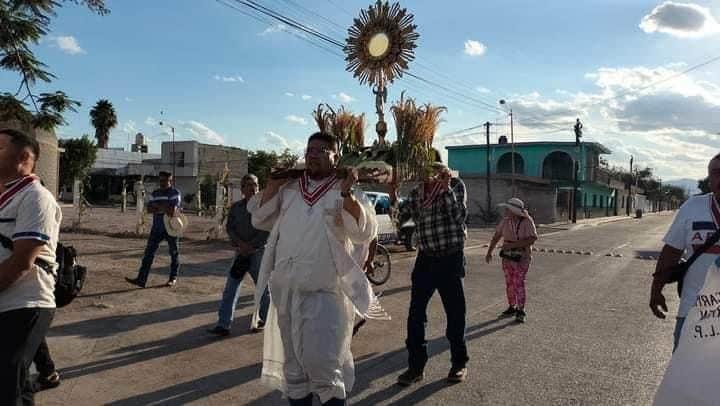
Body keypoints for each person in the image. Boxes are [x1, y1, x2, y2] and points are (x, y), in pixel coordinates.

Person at [248, 132, 379, 406]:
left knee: (324, 365)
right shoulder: (290, 188)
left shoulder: (344, 188)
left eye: (321, 150)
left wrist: (346, 194)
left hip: (324, 293)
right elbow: (259, 219)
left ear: (335, 156)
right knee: (294, 369)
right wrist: (273, 183)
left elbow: (363, 231)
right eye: (310, 149)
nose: (313, 154)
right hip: (286, 290)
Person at [391, 160, 470, 386]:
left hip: (450, 257)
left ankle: (459, 362)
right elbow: (403, 223)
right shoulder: (417, 192)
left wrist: (445, 190)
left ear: (442, 169)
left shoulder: (456, 185)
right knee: (415, 315)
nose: (429, 175)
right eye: (424, 169)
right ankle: (415, 367)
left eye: (434, 170)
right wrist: (393, 194)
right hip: (425, 259)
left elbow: (459, 217)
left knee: (455, 313)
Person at [0, 128, 62, 405]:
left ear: (24, 157)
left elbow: (21, 262)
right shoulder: (6, 197)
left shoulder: (35, 198)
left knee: (6, 385)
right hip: (6, 303)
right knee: (16, 385)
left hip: (25, 304)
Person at [650, 154, 720, 350]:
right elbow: (672, 251)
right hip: (693, 313)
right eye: (716, 173)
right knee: (685, 378)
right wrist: (656, 289)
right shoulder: (693, 207)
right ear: (709, 179)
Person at [207, 174, 271, 337]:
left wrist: (251, 246)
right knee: (230, 289)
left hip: (258, 253)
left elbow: (267, 229)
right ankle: (223, 324)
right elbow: (230, 228)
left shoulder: (264, 207)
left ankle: (265, 320)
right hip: (240, 253)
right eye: (248, 185)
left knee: (263, 288)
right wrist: (240, 244)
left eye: (255, 184)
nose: (252, 188)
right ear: (242, 189)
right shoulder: (236, 208)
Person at [485, 197, 538, 323]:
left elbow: (532, 239)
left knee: (518, 282)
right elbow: (497, 236)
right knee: (509, 282)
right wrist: (489, 252)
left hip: (522, 257)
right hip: (508, 257)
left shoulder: (527, 221)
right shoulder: (505, 221)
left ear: (514, 211)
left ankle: (521, 310)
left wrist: (512, 245)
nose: (506, 211)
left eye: (508, 209)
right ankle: (512, 306)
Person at [126, 171, 182, 288]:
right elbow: (149, 209)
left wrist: (158, 206)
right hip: (157, 228)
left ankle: (173, 278)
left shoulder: (175, 193)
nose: (161, 182)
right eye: (160, 180)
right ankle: (141, 279)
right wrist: (164, 207)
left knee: (174, 253)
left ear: (169, 180)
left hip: (171, 228)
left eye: (164, 180)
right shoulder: (155, 193)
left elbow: (172, 211)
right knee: (148, 254)